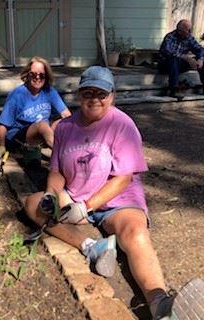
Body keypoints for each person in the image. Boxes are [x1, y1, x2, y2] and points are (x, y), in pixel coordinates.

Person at [25, 65, 176, 320]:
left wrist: (86, 207)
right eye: (88, 93)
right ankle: (93, 247)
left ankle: (158, 301)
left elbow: (124, 176)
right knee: (33, 204)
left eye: (101, 94)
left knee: (135, 233)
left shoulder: (123, 124)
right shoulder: (63, 128)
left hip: (117, 199)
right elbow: (57, 170)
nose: (94, 99)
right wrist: (52, 195)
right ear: (79, 95)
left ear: (112, 96)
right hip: (75, 196)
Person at [0, 56, 71, 161]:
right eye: (33, 74)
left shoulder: (49, 91)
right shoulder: (17, 95)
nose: (37, 78)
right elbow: (2, 125)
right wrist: (1, 147)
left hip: (40, 134)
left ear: (46, 77)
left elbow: (67, 115)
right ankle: (65, 156)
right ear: (27, 75)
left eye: (42, 75)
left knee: (63, 122)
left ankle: (72, 148)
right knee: (42, 125)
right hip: (17, 138)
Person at [158, 19, 204, 98]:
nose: (189, 32)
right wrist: (186, 58)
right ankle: (174, 89)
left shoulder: (188, 37)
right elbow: (168, 52)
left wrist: (200, 59)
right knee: (174, 59)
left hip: (180, 64)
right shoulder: (170, 37)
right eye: (187, 30)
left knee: (201, 60)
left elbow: (199, 49)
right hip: (165, 65)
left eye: (190, 30)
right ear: (179, 31)